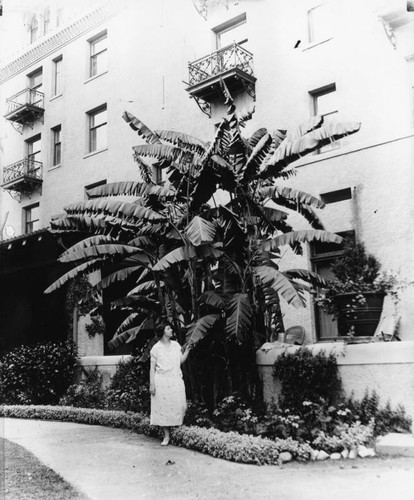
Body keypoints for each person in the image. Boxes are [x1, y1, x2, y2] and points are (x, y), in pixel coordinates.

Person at [149, 323, 192, 446]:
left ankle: (178, 433)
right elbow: (152, 368)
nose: (171, 330)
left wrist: (187, 350)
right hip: (161, 381)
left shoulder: (176, 345)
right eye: (168, 328)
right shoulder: (156, 348)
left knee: (181, 406)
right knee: (163, 408)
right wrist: (152, 384)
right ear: (163, 332)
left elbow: (181, 361)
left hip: (175, 380)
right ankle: (166, 436)